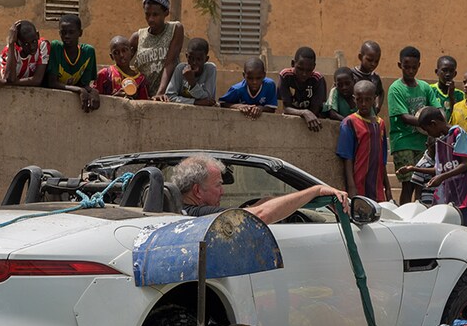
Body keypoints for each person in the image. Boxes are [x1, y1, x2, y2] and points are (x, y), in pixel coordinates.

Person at [174, 153, 350, 223]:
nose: (223, 191)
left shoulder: (177, 210)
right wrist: (316, 191)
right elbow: (259, 215)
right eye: (218, 185)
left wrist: (266, 201)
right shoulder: (198, 215)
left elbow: (257, 208)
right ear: (197, 191)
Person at [387, 46, 442, 204]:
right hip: (404, 141)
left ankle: (419, 212)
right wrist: (429, 123)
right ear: (400, 65)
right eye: (406, 67)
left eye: (414, 67)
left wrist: (440, 122)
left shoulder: (425, 87)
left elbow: (437, 109)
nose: (410, 71)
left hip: (422, 142)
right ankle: (405, 213)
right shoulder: (396, 89)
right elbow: (404, 117)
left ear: (419, 65)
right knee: (408, 183)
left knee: (421, 183)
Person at [414, 106, 467, 228]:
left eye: (428, 130)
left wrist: (442, 177)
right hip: (449, 197)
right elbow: (440, 169)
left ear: (434, 124)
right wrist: (414, 169)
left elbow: (465, 164)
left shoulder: (458, 133)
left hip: (465, 196)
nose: (429, 134)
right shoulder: (440, 141)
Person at [337, 79, 390, 200]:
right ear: (354, 99)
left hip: (377, 186)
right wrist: (351, 187)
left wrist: (387, 188)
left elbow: (382, 160)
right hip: (358, 184)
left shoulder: (380, 123)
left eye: (368, 99)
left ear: (374, 99)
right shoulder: (349, 122)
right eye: (359, 100)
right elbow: (347, 158)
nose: (364, 104)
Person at [130, 0, 183, 97]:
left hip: (166, 96)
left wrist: (160, 92)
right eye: (147, 14)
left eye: (155, 14)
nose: (151, 19)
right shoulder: (138, 37)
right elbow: (121, 64)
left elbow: (170, 62)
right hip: (142, 96)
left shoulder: (175, 29)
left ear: (166, 13)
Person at [45, 13, 101, 111]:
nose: (67, 36)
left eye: (71, 32)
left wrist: (93, 91)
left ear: (80, 33)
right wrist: (78, 90)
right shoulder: (56, 48)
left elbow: (84, 84)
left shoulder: (88, 52)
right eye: (63, 32)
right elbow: (52, 82)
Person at [278, 46, 329, 129]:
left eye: (309, 70)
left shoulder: (317, 79)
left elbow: (315, 110)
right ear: (293, 63)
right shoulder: (286, 76)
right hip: (291, 120)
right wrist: (304, 112)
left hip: (312, 123)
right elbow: (286, 108)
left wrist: (307, 113)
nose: (304, 74)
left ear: (314, 66)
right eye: (300, 69)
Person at [0, 19, 49, 87]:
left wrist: (10, 82)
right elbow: (10, 78)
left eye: (34, 41)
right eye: (26, 44)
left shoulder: (42, 45)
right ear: (18, 43)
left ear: (37, 35)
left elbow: (37, 80)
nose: (32, 47)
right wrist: (11, 43)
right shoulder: (8, 53)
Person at [164, 37, 218, 105]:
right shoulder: (180, 69)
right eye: (191, 58)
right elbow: (170, 96)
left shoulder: (210, 69)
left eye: (199, 59)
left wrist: (192, 82)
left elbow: (208, 99)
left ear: (206, 59)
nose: (194, 62)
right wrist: (195, 102)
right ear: (186, 56)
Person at [97, 35, 151, 99]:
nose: (121, 55)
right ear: (112, 57)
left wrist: (135, 96)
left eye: (124, 50)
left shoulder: (141, 80)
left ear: (131, 52)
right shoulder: (105, 75)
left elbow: (144, 104)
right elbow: (96, 97)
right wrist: (113, 98)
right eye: (116, 52)